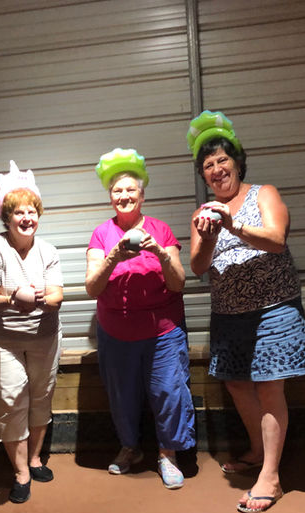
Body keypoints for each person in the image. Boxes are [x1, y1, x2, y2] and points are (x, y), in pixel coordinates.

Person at [188, 111, 305, 513]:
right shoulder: (203, 213)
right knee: (239, 385)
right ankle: (258, 451)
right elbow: (198, 266)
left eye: (222, 160)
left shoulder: (263, 194)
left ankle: (271, 478)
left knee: (269, 386)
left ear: (238, 163)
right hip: (229, 314)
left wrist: (234, 226)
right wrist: (208, 235)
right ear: (204, 175)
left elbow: (277, 239)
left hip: (274, 309)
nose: (217, 169)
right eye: (208, 165)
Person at [85, 148, 196, 489]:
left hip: (163, 331)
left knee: (168, 391)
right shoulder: (101, 234)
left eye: (131, 190)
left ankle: (168, 454)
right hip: (116, 331)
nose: (124, 196)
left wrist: (159, 252)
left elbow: (178, 283)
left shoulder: (160, 230)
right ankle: (129, 448)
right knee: (122, 395)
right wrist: (114, 256)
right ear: (110, 198)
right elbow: (92, 287)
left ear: (142, 195)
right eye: (117, 191)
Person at [0, 161, 64, 504]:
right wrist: (14, 298)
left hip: (45, 337)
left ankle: (35, 458)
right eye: (18, 212)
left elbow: (57, 296)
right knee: (11, 402)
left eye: (31, 211)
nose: (27, 218)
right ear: (7, 217)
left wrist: (42, 299)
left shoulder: (48, 251)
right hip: (3, 341)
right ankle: (21, 472)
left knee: (41, 397)